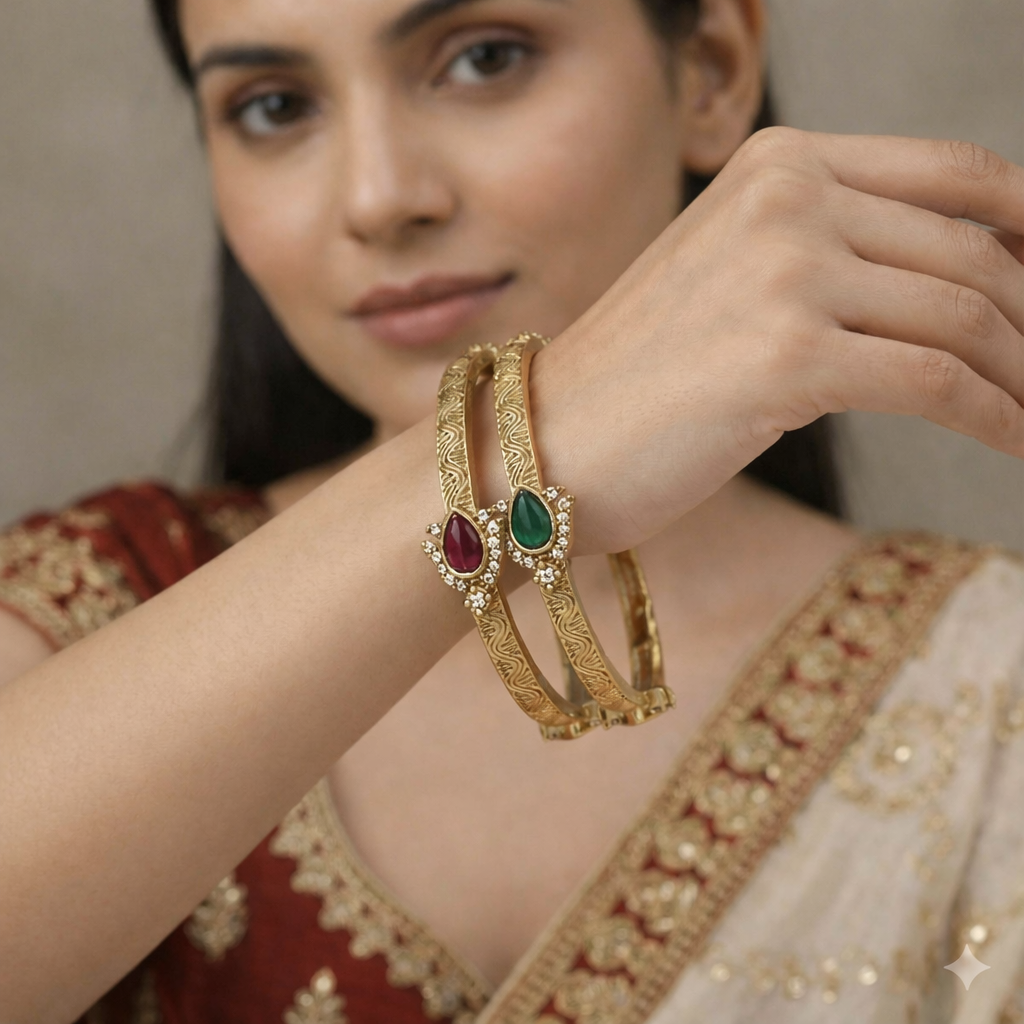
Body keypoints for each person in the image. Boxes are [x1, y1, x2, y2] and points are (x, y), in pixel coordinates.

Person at [1, 0, 1022, 1019]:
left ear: (709, 69)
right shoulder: (95, 605)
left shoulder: (991, 685)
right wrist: (521, 448)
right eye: (272, 108)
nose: (378, 196)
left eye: (485, 58)